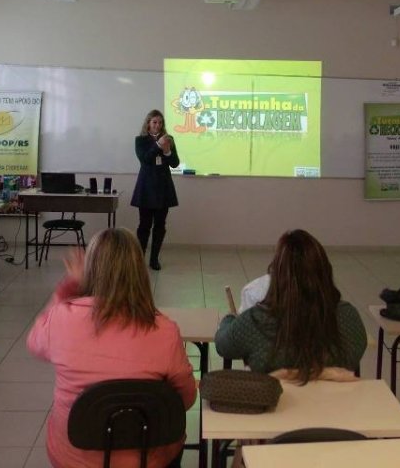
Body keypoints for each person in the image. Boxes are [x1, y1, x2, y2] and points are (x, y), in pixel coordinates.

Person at [27, 228, 196, 468]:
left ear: (90, 271)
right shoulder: (165, 331)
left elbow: (35, 344)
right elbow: (185, 401)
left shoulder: (60, 319)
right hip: (149, 459)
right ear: (140, 272)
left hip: (73, 458)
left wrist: (68, 289)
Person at [214, 229, 367, 382]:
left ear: (276, 276)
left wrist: (228, 319)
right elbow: (357, 351)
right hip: (339, 405)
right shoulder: (349, 316)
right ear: (325, 271)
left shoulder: (254, 321)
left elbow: (223, 346)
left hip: (276, 404)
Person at [130, 109, 179, 271]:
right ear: (148, 124)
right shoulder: (140, 140)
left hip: (163, 188)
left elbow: (175, 163)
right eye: (154, 122)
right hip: (146, 188)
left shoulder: (169, 139)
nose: (158, 125)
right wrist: (158, 145)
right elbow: (145, 160)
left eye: (160, 122)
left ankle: (154, 259)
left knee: (160, 225)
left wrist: (167, 151)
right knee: (144, 225)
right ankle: (139, 259)